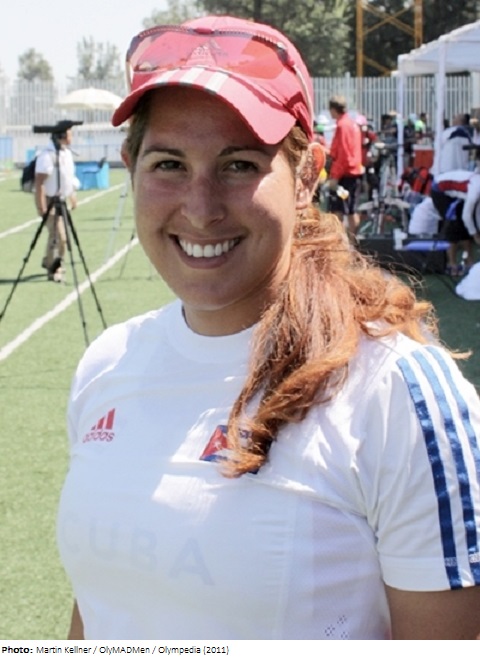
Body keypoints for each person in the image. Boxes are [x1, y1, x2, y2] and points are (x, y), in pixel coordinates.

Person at [57, 15, 480, 641]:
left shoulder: (396, 391)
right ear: (131, 166)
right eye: (169, 163)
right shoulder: (107, 363)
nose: (200, 207)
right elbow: (100, 613)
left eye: (238, 164)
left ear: (306, 176)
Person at [34, 123, 78, 282]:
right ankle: (54, 268)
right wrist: (42, 206)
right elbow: (40, 182)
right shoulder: (47, 156)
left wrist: (72, 194)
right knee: (59, 237)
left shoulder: (66, 153)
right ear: (61, 136)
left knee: (58, 236)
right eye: (70, 134)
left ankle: (49, 261)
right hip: (49, 200)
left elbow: (68, 176)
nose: (72, 137)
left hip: (61, 199)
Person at [430, 167, 480, 275]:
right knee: (453, 225)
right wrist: (475, 234)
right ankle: (452, 264)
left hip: (457, 192)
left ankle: (469, 261)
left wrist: (475, 231)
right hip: (439, 190)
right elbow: (467, 216)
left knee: (465, 227)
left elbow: (476, 214)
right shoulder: (475, 190)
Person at [327, 95, 363, 238]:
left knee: (338, 210)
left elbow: (342, 153)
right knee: (351, 209)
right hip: (354, 172)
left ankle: (341, 243)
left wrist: (335, 176)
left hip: (344, 175)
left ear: (333, 109)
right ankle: (353, 243)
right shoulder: (353, 124)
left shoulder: (342, 126)